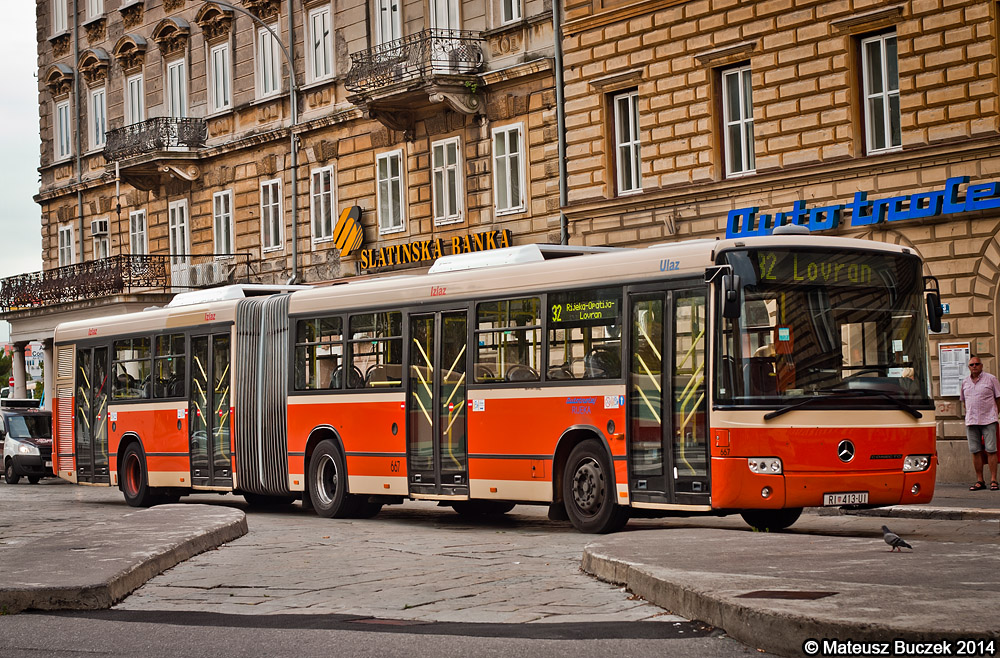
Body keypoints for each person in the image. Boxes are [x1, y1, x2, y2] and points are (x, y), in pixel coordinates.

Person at [959, 356, 1000, 491]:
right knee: (975, 451)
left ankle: (994, 479)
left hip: (988, 419)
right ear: (969, 367)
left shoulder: (991, 379)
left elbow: (998, 398)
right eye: (971, 365)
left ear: (981, 365)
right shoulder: (965, 382)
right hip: (972, 421)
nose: (974, 366)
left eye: (977, 364)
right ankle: (979, 480)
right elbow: (964, 401)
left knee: (991, 450)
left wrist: (995, 413)